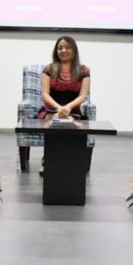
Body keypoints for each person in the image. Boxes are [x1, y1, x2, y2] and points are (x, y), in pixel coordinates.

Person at [37, 36, 91, 175]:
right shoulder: (48, 69)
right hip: (51, 109)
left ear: (74, 50)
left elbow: (83, 95)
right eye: (60, 48)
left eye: (67, 47)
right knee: (56, 120)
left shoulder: (84, 71)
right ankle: (47, 160)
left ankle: (70, 162)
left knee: (70, 122)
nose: (63, 50)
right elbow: (45, 94)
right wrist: (59, 108)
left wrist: (68, 107)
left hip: (73, 110)